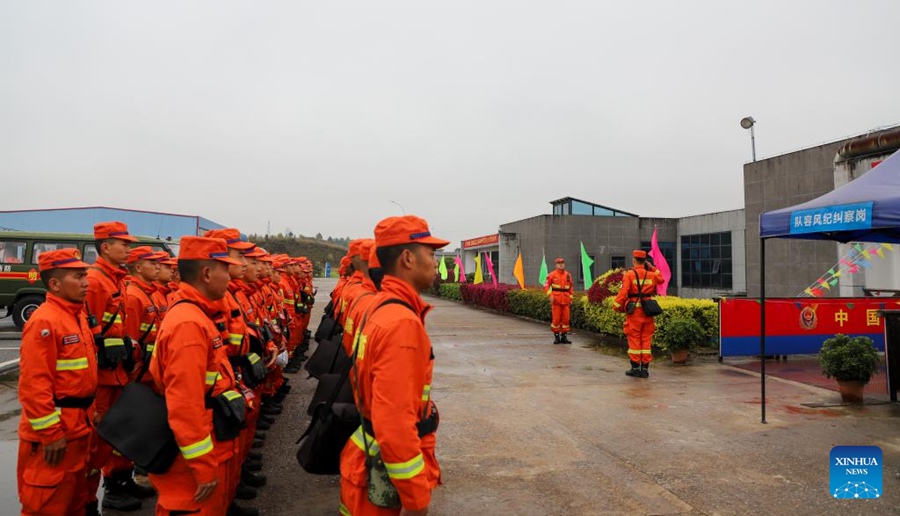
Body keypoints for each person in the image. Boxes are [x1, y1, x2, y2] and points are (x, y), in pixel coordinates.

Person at [339, 215, 447, 516]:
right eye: (432, 253)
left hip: (367, 462)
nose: (436, 263)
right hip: (382, 486)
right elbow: (395, 424)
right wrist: (415, 499)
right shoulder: (401, 324)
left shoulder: (380, 306)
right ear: (408, 258)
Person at [148, 236, 245, 515]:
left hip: (207, 447)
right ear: (206, 273)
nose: (229, 276)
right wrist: (203, 466)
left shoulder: (197, 314)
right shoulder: (189, 324)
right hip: (192, 463)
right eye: (224, 269)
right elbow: (185, 406)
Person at [17, 248, 97, 515]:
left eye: (85, 275)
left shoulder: (76, 315)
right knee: (47, 506)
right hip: (55, 437)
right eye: (78, 276)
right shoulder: (45, 320)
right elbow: (33, 385)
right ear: (54, 284)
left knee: (74, 503)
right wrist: (51, 434)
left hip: (78, 430)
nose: (86, 282)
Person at [84, 221, 152, 514]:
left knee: (121, 430)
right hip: (102, 376)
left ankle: (123, 480)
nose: (128, 249)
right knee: (102, 438)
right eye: (123, 244)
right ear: (105, 246)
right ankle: (110, 489)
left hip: (119, 371)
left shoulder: (116, 279)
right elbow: (89, 332)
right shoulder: (95, 281)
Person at [613, 250, 665, 378]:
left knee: (634, 339)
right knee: (646, 340)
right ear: (645, 261)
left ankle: (635, 368)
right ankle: (645, 369)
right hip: (648, 312)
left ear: (634, 260)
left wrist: (617, 306)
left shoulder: (629, 275)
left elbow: (623, 293)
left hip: (634, 313)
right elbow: (662, 279)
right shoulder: (651, 275)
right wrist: (652, 268)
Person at [544, 257, 574, 344]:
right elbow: (546, 286)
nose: (561, 264)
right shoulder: (551, 275)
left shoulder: (568, 275)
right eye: (559, 263)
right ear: (556, 265)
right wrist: (550, 295)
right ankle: (557, 337)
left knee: (566, 319)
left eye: (562, 263)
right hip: (556, 301)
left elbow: (571, 287)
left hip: (565, 301)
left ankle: (564, 337)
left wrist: (571, 298)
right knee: (556, 319)